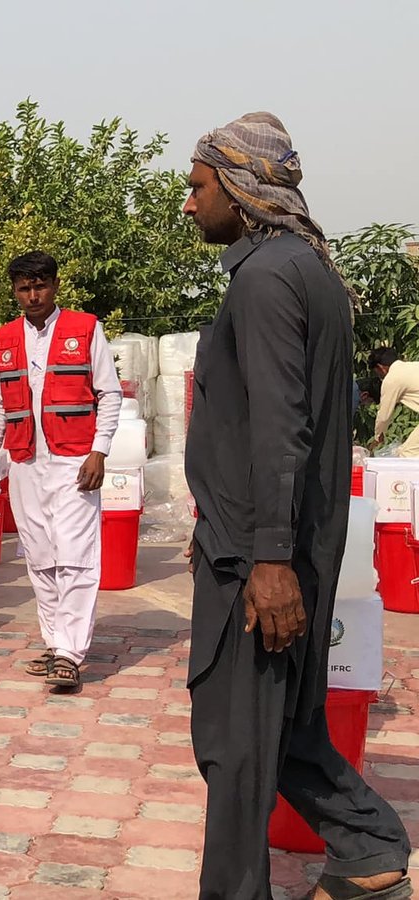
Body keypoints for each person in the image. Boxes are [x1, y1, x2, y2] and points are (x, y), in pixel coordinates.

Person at [182, 112, 411, 900]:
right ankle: (371, 847)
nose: (189, 205)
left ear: (241, 190)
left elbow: (283, 429)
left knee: (235, 746)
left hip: (262, 557)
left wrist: (268, 559)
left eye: (198, 186)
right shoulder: (299, 267)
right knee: (280, 729)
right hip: (255, 540)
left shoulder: (267, 278)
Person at [0, 251, 121, 693]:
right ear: (15, 291)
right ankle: (55, 643)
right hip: (25, 461)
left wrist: (100, 451)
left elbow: (109, 394)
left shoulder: (85, 328)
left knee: (76, 556)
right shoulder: (5, 337)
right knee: (40, 557)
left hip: (75, 460)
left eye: (40, 286)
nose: (32, 295)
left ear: (55, 285)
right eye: (24, 288)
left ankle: (71, 654)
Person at [370, 347, 419, 456]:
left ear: (380, 368)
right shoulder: (413, 366)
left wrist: (378, 437)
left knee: (408, 453)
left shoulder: (392, 379)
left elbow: (384, 416)